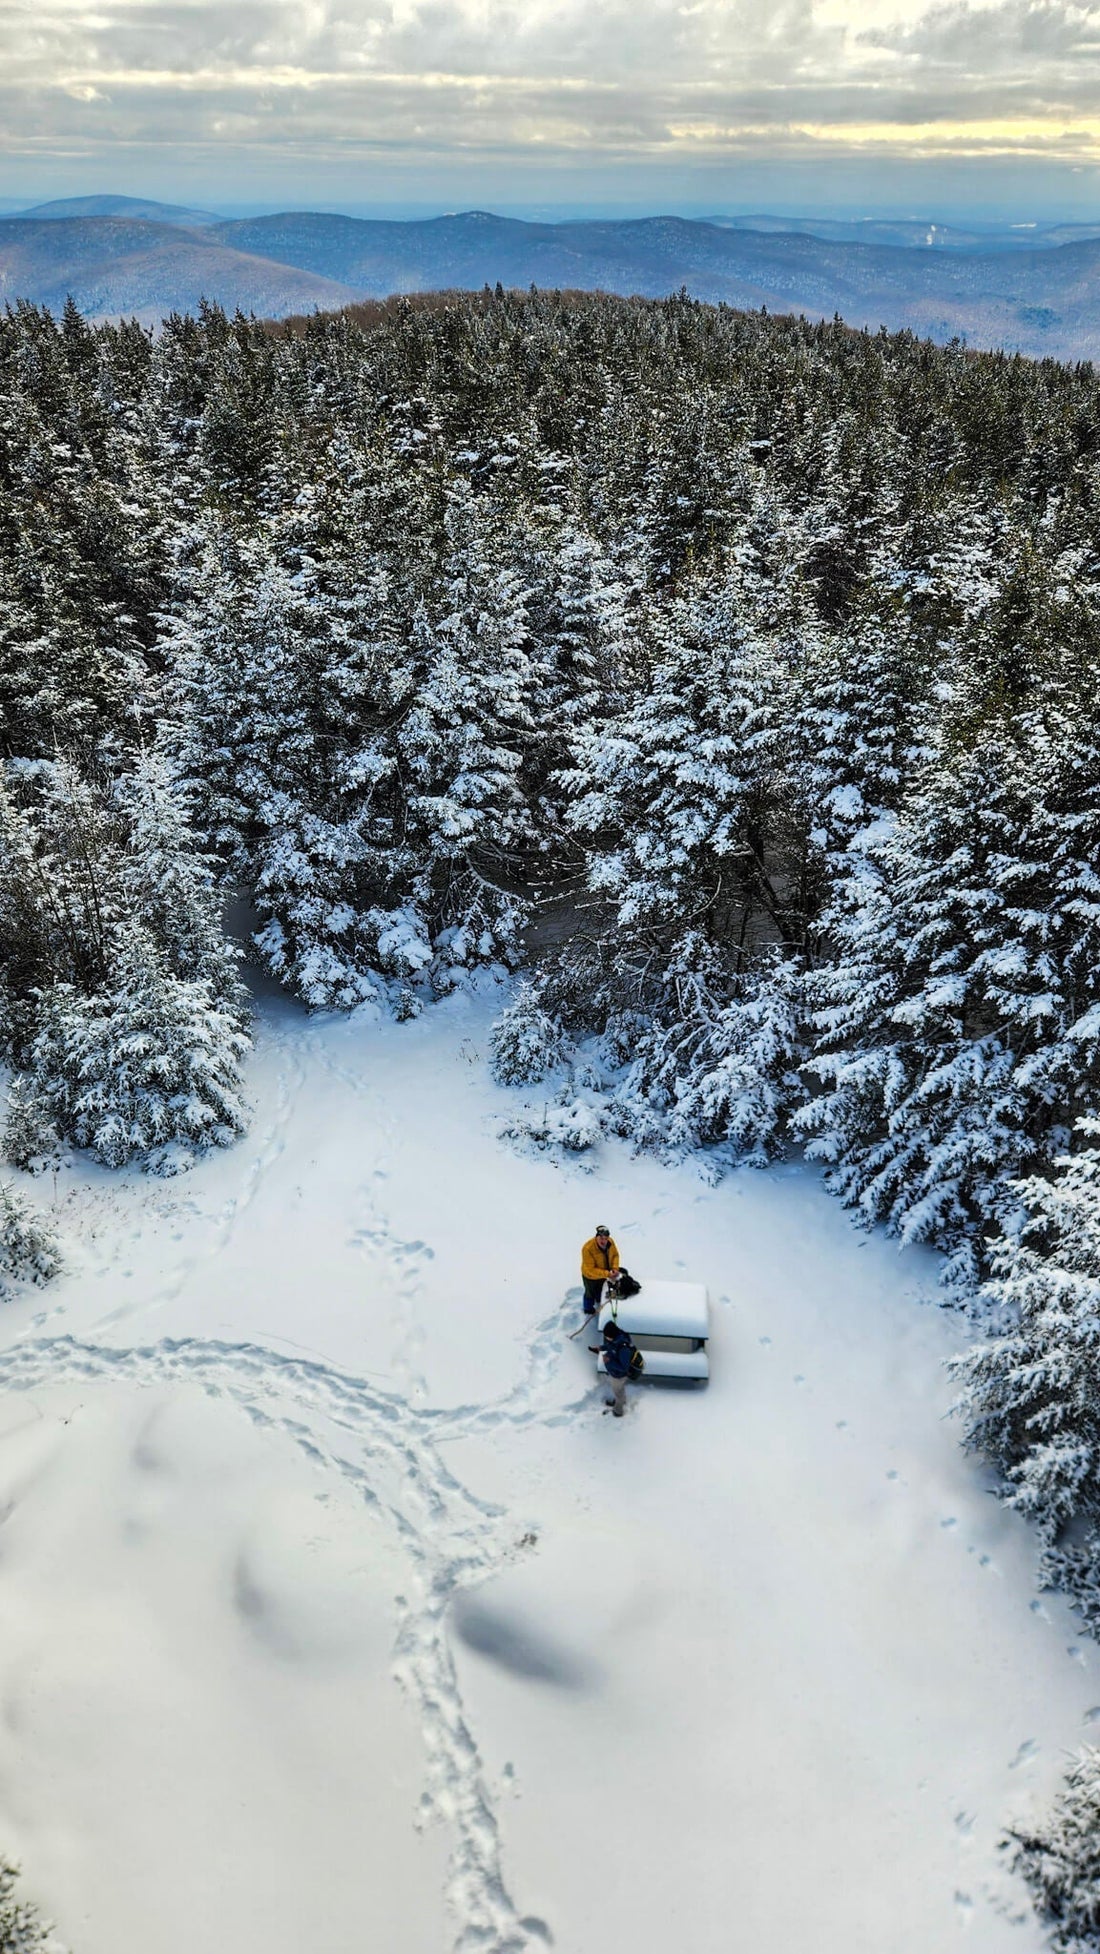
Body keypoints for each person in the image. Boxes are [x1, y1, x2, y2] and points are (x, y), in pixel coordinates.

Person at [589, 1318, 637, 1418]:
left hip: (619, 1375)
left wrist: (609, 1361)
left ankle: (618, 1410)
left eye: (607, 1336)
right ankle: (621, 1401)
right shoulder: (616, 1340)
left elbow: (624, 1367)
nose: (606, 1338)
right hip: (615, 1373)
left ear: (612, 1335)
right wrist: (601, 1348)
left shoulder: (623, 1348)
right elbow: (611, 1346)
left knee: (618, 1391)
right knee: (619, 1391)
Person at [581, 1224, 620, 1315]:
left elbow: (615, 1255)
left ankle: (599, 1299)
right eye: (601, 1238)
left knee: (601, 1289)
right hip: (590, 1276)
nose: (604, 1241)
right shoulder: (588, 1248)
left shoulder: (610, 1242)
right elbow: (590, 1269)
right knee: (590, 1293)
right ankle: (588, 1309)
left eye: (606, 1238)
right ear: (597, 1237)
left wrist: (614, 1268)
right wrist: (607, 1274)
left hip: (605, 1273)